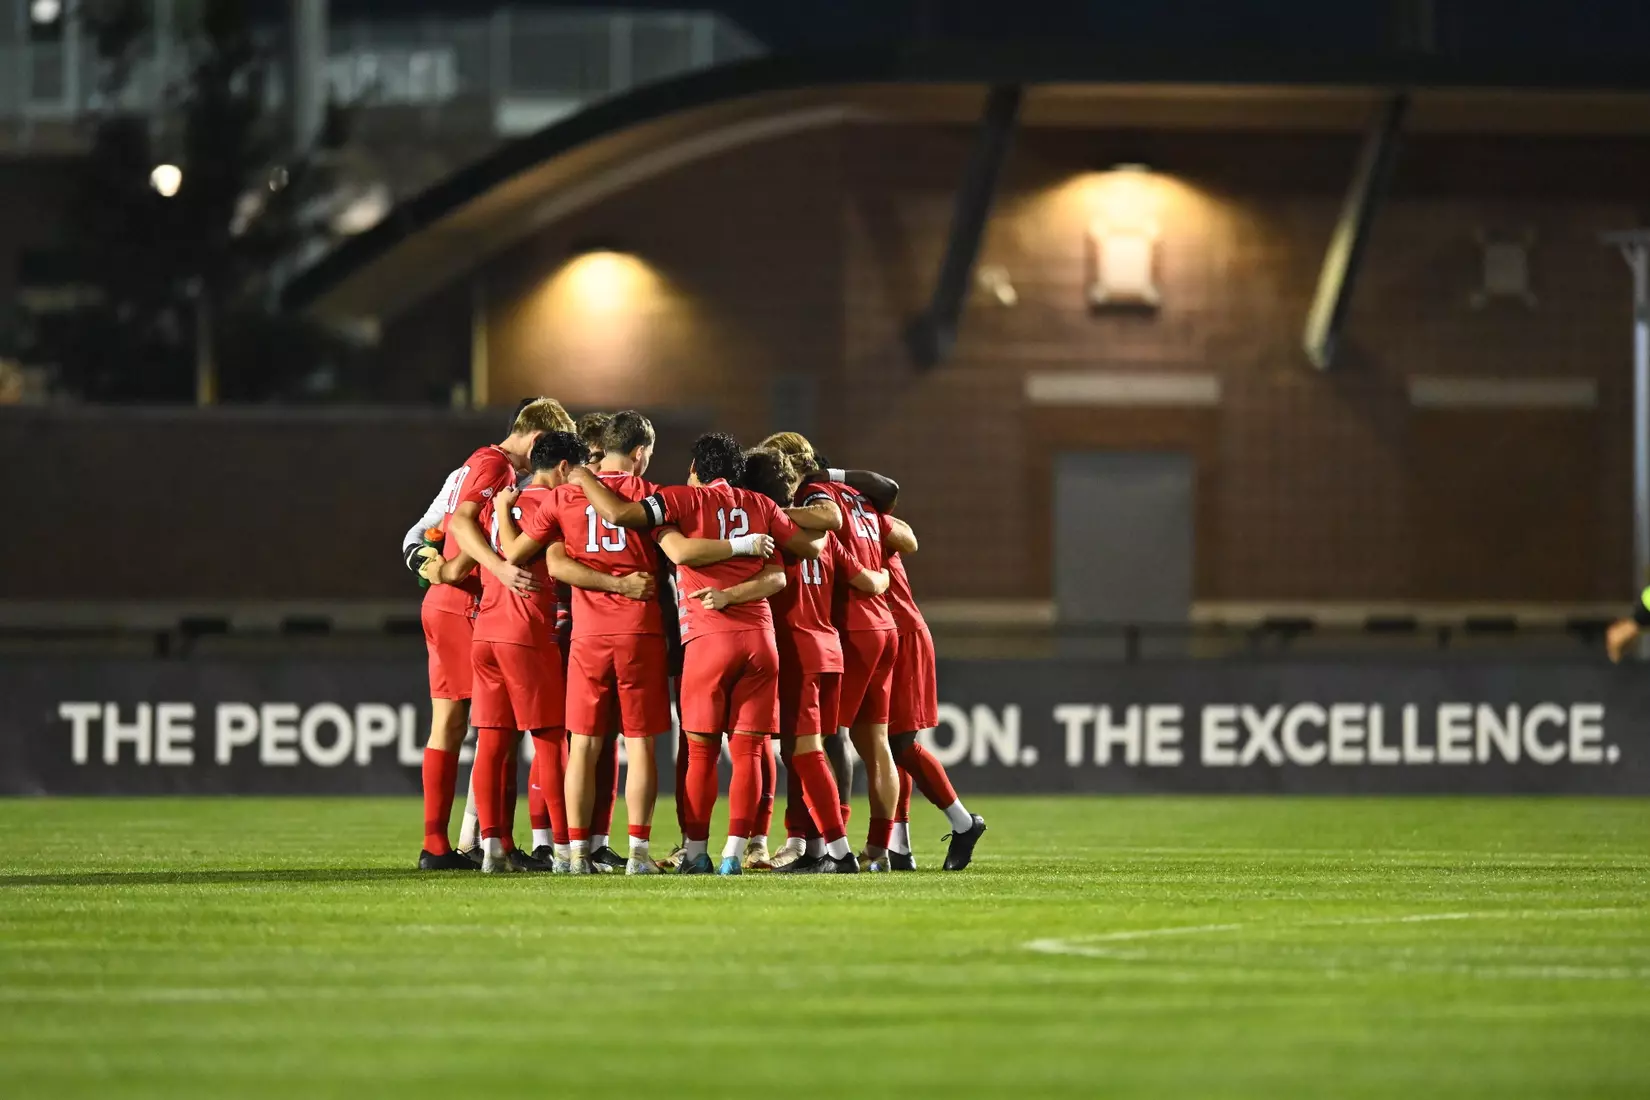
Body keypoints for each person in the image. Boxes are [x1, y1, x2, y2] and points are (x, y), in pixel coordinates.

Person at [507, 412, 775, 874]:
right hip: (641, 634)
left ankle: (573, 855)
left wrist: (495, 514)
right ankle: (636, 854)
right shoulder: (653, 496)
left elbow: (532, 559)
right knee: (642, 745)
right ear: (640, 453)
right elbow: (679, 551)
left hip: (587, 636)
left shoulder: (565, 495)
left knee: (584, 746)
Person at [573, 432, 824, 875]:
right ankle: (735, 853)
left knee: (701, 751)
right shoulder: (760, 506)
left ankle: (695, 851)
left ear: (696, 470)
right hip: (761, 642)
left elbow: (620, 514)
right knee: (749, 753)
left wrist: (582, 476)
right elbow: (806, 548)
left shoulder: (681, 500)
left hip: (708, 640)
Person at [413, 397, 573, 870]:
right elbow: (462, 522)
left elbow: (449, 529)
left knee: (459, 727)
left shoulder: (478, 461)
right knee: (493, 729)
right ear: (538, 438)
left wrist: (451, 565)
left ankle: (445, 845)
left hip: (445, 603)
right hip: (465, 606)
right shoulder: (497, 467)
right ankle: (486, 842)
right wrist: (498, 568)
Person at [461, 430, 589, 873]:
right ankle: (569, 852)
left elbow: (468, 542)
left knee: (492, 745)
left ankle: (493, 849)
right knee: (552, 741)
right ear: (564, 468)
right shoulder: (550, 504)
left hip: (486, 630)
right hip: (526, 631)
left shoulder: (501, 502)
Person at [742, 448, 865, 873]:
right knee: (820, 750)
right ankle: (816, 848)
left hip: (797, 650)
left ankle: (838, 849)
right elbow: (864, 578)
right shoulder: (821, 533)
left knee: (804, 752)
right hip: (830, 650)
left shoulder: (771, 529)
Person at [878, 509, 987, 871]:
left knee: (899, 744)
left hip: (900, 632)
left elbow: (907, 536)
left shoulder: (844, 513)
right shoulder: (842, 515)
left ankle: (963, 823)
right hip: (882, 633)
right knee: (891, 745)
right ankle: (900, 847)